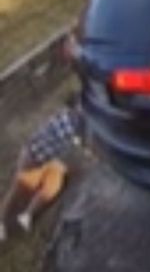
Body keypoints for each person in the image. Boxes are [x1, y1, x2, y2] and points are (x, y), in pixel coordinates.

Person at [0, 97, 86, 241]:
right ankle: (1, 222)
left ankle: (27, 215)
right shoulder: (70, 121)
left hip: (56, 157)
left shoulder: (79, 121)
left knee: (51, 188)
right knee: (20, 189)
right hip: (36, 154)